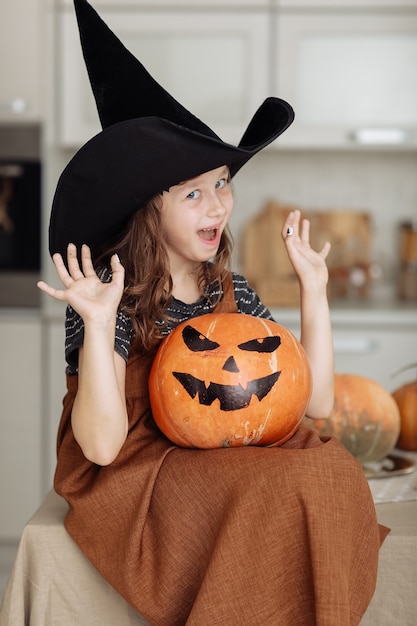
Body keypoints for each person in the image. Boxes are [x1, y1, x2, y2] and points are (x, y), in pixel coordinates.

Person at [38, 1, 388, 624]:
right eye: (193, 193)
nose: (216, 206)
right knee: (269, 489)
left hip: (223, 446)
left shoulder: (234, 291)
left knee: (331, 471)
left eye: (222, 182)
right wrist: (95, 326)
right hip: (137, 467)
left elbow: (317, 405)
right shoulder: (107, 294)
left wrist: (314, 290)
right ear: (150, 208)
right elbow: (101, 444)